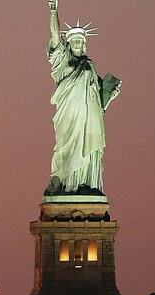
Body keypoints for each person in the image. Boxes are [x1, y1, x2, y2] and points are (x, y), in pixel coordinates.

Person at [44, 0, 120, 195]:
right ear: (69, 44)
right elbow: (55, 37)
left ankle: (86, 184)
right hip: (69, 115)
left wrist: (109, 95)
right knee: (66, 148)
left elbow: (98, 99)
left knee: (90, 148)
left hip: (89, 118)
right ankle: (66, 184)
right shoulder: (63, 62)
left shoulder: (90, 66)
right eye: (75, 41)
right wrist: (54, 10)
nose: (79, 44)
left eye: (81, 41)